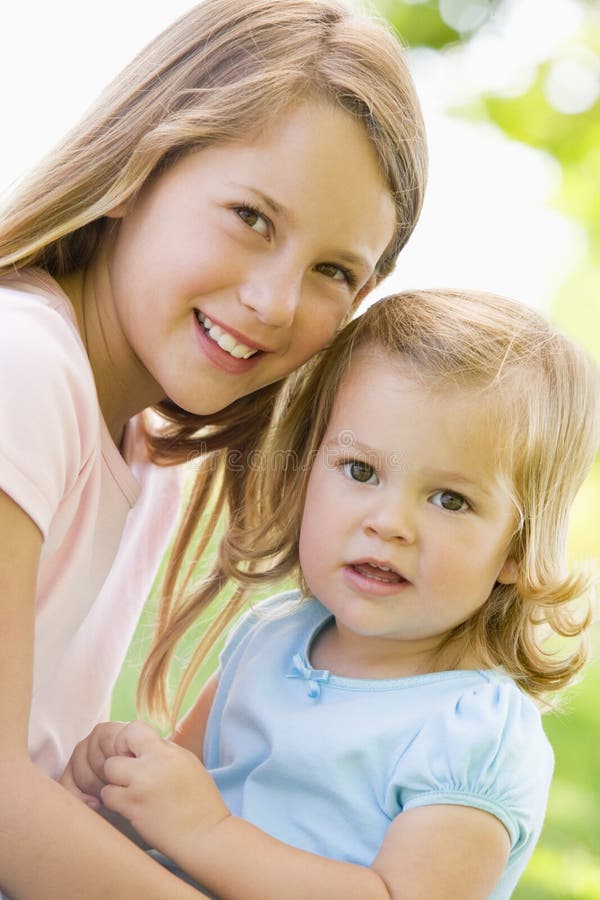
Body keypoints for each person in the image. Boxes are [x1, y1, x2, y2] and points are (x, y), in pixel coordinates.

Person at [0, 0, 428, 896]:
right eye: (252, 216)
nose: (276, 301)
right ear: (135, 168)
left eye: (333, 272)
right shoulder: (23, 366)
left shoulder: (148, 450)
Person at [63, 288, 600, 900]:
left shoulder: (469, 733)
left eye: (451, 500)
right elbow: (174, 799)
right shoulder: (271, 639)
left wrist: (207, 833)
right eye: (361, 471)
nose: (389, 522)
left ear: (514, 548)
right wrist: (120, 785)